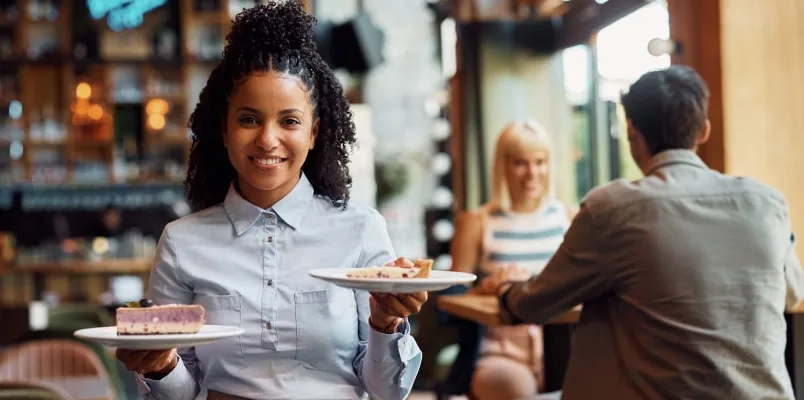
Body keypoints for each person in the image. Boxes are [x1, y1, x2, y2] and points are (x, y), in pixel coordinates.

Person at [114, 2, 426, 399]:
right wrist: (160, 366)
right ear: (224, 130)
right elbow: (182, 393)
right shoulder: (181, 242)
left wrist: (386, 323)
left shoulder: (361, 230)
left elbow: (387, 392)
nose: (267, 139)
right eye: (248, 119)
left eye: (289, 121)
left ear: (313, 134)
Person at [484, 65, 804, 399]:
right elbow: (792, 293)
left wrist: (507, 290)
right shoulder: (769, 204)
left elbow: (533, 305)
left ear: (632, 132)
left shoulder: (611, 208)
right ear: (704, 131)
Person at [447, 120, 575, 400]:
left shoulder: (569, 217)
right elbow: (449, 301)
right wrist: (486, 287)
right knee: (518, 392)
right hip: (500, 350)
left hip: (565, 343)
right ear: (502, 165)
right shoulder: (477, 222)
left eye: (540, 162)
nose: (532, 174)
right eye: (521, 163)